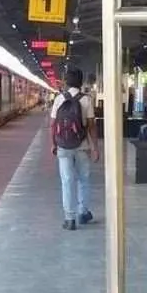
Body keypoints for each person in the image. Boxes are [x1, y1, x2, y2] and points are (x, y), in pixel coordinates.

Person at [51, 68, 99, 230]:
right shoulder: (86, 100)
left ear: (66, 82)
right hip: (82, 146)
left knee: (66, 181)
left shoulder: (59, 99)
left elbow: (53, 125)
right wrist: (95, 148)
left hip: (63, 146)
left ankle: (69, 219)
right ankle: (83, 212)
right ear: (81, 82)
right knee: (83, 180)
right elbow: (92, 126)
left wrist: (54, 144)